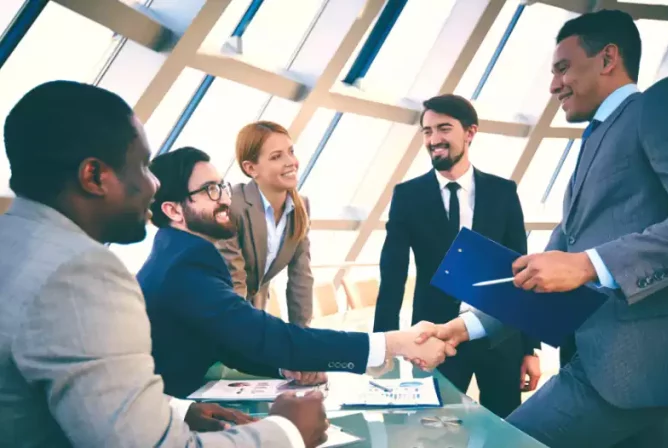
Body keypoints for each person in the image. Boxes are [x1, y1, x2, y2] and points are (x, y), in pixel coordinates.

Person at [423, 10, 668, 447]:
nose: (553, 85)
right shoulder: (595, 141)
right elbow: (542, 268)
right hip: (624, 371)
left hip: (632, 363)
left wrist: (589, 265)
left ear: (607, 58)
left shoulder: (663, 102)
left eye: (563, 68)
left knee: (502, 443)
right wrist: (467, 327)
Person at [0, 80, 331, 447]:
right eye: (142, 166)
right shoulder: (81, 273)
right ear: (93, 176)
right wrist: (288, 431)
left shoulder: (15, 246)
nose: (154, 186)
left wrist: (175, 410)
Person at [137, 146, 455, 399]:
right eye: (210, 190)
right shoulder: (187, 264)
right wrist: (393, 343)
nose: (225, 198)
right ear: (173, 210)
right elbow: (262, 334)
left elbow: (228, 340)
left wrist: (284, 365)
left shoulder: (178, 253)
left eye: (222, 186)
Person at [373, 93, 542, 417]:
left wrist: (529, 348)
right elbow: (392, 274)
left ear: (470, 132)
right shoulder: (407, 196)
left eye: (444, 128)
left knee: (504, 433)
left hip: (499, 335)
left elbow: (521, 271)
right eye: (427, 131)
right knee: (432, 432)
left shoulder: (502, 192)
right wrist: (386, 346)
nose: (434, 139)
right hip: (434, 337)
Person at [216, 121, 312, 326]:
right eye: (276, 157)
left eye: (291, 152)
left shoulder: (300, 206)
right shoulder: (233, 204)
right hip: (218, 315)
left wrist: (303, 338)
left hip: (254, 312)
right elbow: (235, 279)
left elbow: (301, 278)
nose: (291, 162)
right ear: (251, 168)